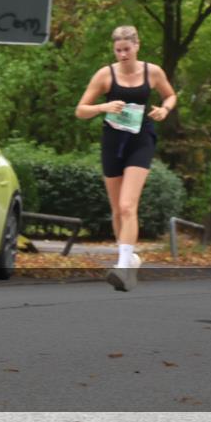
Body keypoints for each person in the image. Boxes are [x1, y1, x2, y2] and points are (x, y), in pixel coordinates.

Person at [76, 25, 177, 292]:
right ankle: (130, 259)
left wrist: (164, 109)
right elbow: (81, 110)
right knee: (117, 209)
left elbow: (170, 95)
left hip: (140, 140)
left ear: (137, 46)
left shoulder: (152, 72)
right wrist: (103, 107)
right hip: (113, 142)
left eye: (127, 49)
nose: (122, 55)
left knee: (127, 205)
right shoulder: (105, 75)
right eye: (118, 50)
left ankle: (122, 268)